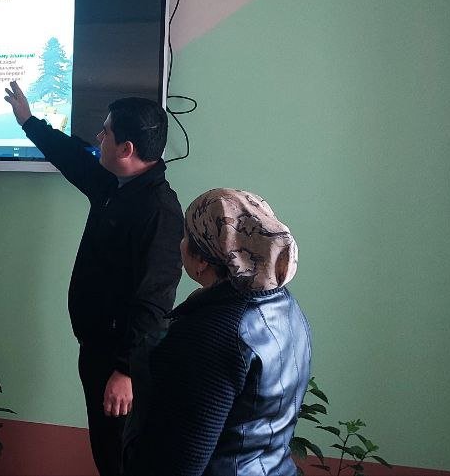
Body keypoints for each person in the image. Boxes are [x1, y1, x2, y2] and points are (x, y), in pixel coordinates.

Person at [3, 82, 183, 476]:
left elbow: (154, 300)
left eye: (106, 132)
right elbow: (71, 156)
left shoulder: (159, 211)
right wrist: (29, 122)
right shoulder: (113, 184)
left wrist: (126, 370)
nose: (99, 138)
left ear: (126, 149)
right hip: (97, 348)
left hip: (121, 361)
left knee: (120, 456)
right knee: (105, 449)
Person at [125, 189, 311, 476]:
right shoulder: (285, 307)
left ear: (202, 260)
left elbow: (178, 462)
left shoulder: (210, 334)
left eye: (185, 236)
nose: (180, 244)